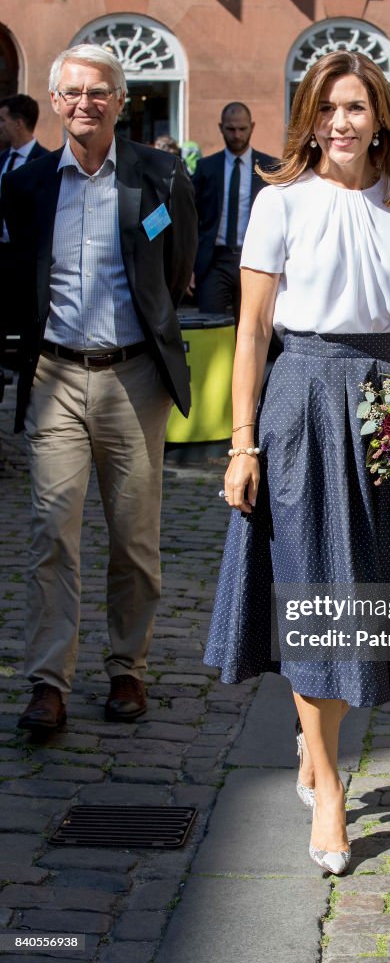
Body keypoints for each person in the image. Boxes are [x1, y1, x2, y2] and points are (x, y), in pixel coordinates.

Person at [204, 51, 390, 876]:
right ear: (309, 119)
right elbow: (250, 334)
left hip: (388, 401)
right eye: (327, 110)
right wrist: (241, 445)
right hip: (304, 399)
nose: (342, 123)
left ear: (378, 115)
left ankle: (314, 750)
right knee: (316, 584)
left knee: (374, 585)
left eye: (356, 107)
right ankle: (331, 791)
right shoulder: (279, 203)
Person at [1, 44, 197, 733]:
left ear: (120, 100)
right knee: (51, 532)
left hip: (133, 377)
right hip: (53, 374)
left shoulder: (159, 175)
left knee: (134, 537)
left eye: (99, 91)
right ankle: (48, 681)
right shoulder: (28, 184)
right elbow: (20, 273)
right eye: (72, 92)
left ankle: (126, 669)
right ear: (54, 101)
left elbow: (175, 273)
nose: (85, 102)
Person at [192, 102, 278, 320]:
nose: (237, 135)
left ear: (252, 127)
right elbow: (192, 217)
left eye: (242, 129)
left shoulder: (269, 168)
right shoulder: (206, 167)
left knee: (251, 325)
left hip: (254, 257)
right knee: (210, 325)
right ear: (221, 128)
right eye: (231, 129)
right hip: (215, 259)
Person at [0, 95, 51, 368]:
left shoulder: (45, 163)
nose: (0, 126)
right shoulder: (1, 160)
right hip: (1, 255)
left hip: (27, 261)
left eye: (3, 120)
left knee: (27, 323)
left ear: (19, 123)